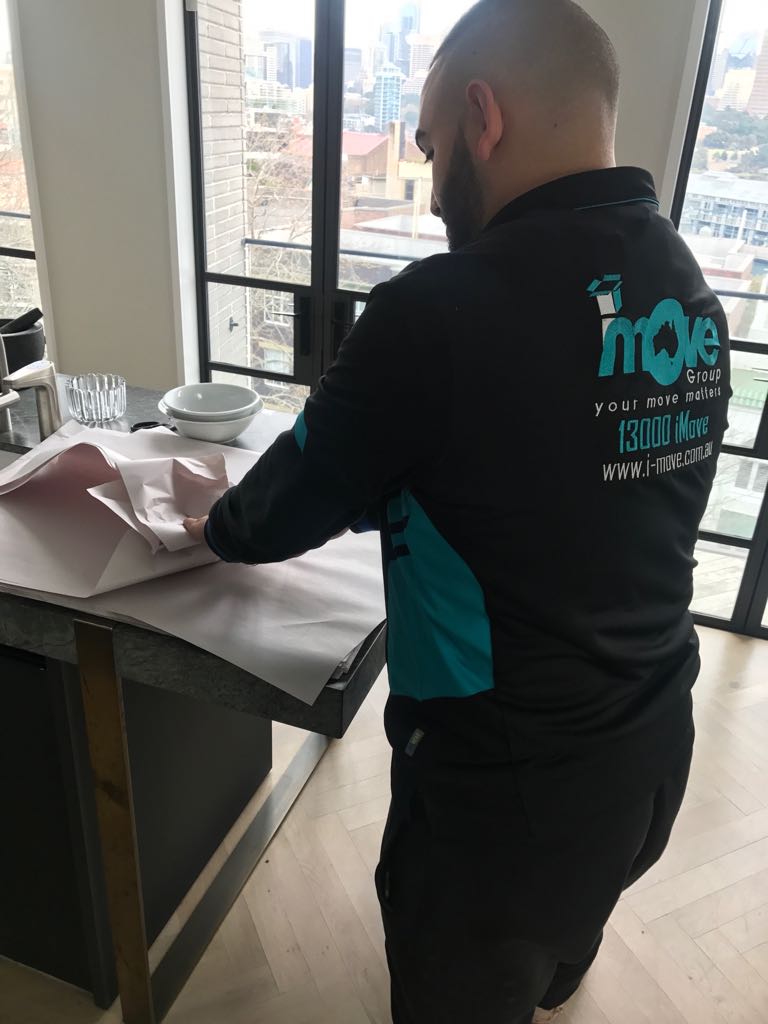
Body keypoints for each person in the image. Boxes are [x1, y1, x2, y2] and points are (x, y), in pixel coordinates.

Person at [184, 1, 731, 1020]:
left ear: (485, 116)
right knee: (556, 946)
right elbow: (545, 484)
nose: (434, 187)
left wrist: (204, 520)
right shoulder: (688, 295)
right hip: (651, 747)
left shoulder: (436, 310)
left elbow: (273, 514)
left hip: (497, 802)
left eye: (432, 146)